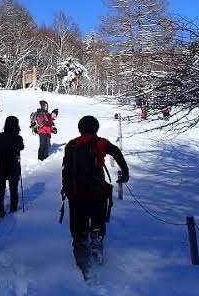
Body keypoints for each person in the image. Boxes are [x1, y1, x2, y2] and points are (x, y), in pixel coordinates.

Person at [61, 115, 129, 280]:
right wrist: (125, 172)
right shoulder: (101, 143)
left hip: (76, 195)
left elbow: (66, 170)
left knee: (78, 228)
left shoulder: (71, 144)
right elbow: (117, 153)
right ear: (96, 128)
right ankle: (96, 243)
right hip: (97, 192)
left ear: (80, 128)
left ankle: (82, 259)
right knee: (97, 220)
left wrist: (67, 190)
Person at [0, 116, 25, 218]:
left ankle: (0, 208)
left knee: (1, 189)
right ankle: (13, 207)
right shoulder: (17, 138)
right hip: (13, 166)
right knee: (13, 189)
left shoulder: (0, 136)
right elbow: (21, 147)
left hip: (1, 166)